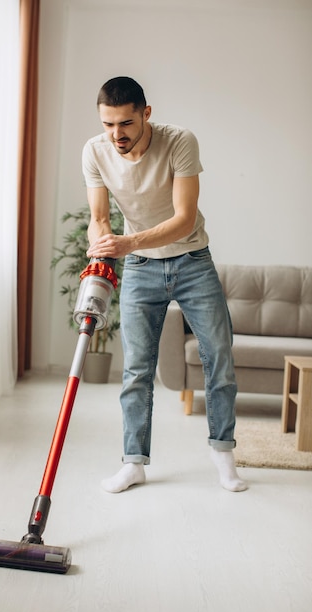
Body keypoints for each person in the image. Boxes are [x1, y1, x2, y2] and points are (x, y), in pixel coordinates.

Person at [82, 76, 247, 493]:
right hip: (139, 267)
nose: (116, 134)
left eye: (125, 123)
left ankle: (222, 453)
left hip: (192, 261)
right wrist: (101, 249)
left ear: (146, 114)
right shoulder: (95, 151)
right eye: (108, 124)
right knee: (137, 369)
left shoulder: (179, 142)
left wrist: (127, 241)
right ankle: (134, 462)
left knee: (219, 357)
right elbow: (100, 218)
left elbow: (184, 219)